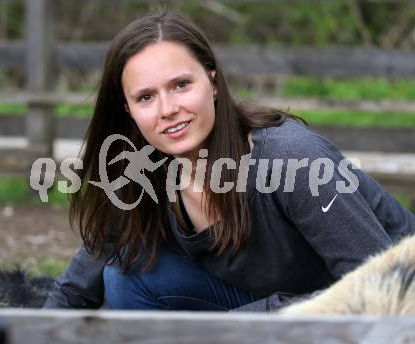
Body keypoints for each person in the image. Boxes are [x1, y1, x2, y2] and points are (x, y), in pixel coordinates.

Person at [44, 11, 415, 311]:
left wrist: (247, 323)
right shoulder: (144, 169)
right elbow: (76, 287)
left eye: (180, 85)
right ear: (128, 111)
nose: (168, 110)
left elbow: (377, 293)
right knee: (124, 278)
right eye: (146, 97)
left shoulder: (294, 160)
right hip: (269, 302)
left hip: (388, 300)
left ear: (213, 81)